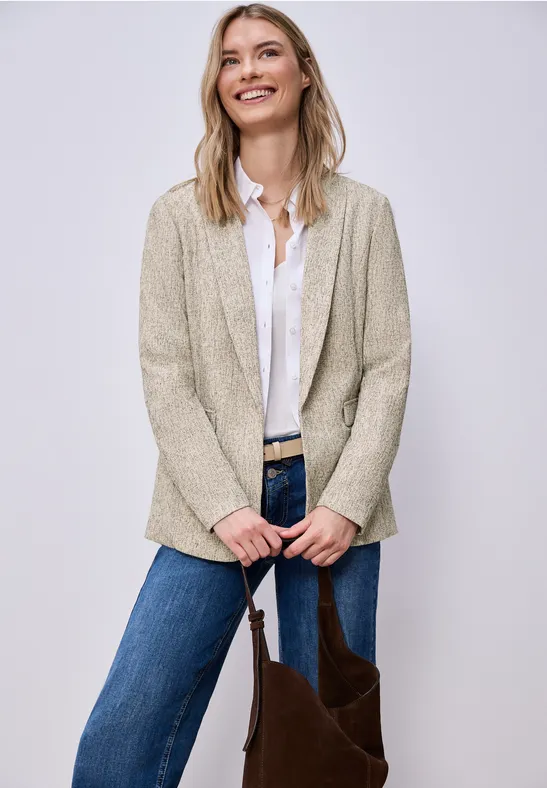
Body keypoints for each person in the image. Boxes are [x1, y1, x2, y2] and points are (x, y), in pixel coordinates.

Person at [71, 3, 411, 786]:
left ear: (303, 72)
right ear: (217, 83)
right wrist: (224, 506)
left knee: (326, 741)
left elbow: (387, 366)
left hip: (333, 499)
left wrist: (345, 503)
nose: (248, 70)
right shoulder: (178, 217)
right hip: (214, 498)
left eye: (266, 52)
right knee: (127, 728)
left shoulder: (363, 215)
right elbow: (166, 373)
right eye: (230, 59)